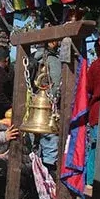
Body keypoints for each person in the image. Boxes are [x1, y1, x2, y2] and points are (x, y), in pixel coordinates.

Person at [35, 40, 62, 179]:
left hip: (34, 107)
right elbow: (56, 87)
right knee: (50, 146)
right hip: (48, 108)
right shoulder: (53, 61)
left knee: (36, 147)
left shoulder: (33, 58)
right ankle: (48, 177)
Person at [83, 36, 100, 185]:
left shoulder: (96, 65)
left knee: (95, 147)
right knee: (97, 147)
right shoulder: (98, 65)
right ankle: (94, 179)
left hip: (97, 111)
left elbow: (88, 88)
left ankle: (91, 180)